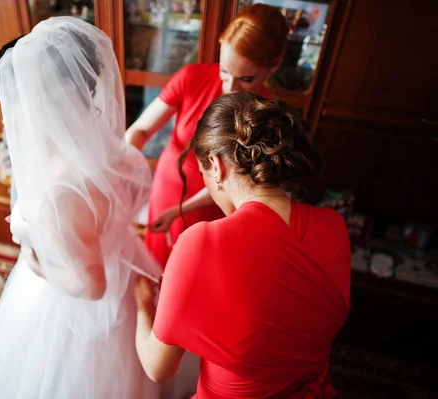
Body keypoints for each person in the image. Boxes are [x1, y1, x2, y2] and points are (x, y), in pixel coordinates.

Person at [0, 17, 162, 398]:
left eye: (12, 97)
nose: (7, 113)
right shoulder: (113, 148)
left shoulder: (58, 190)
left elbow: (91, 288)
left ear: (34, 99)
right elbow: (132, 202)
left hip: (75, 303)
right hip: (124, 263)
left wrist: (36, 260)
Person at [134, 93, 351, 398]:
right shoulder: (334, 227)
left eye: (202, 174)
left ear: (215, 166)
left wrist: (144, 305)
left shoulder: (200, 243)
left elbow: (157, 368)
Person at [126, 4, 290, 267]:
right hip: (169, 187)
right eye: (224, 70)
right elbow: (141, 130)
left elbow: (238, 180)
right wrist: (118, 177)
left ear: (274, 66)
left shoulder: (269, 115)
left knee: (194, 269)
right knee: (155, 263)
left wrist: (180, 211)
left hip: (214, 204)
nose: (229, 86)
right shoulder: (191, 77)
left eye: (246, 79)